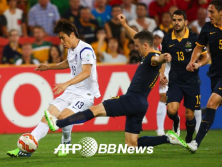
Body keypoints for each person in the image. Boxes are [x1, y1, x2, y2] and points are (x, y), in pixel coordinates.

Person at [44, 14, 188, 149]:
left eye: (137, 46)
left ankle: (58, 123)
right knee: (132, 143)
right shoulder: (149, 53)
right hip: (141, 104)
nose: (136, 48)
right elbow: (139, 40)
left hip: (131, 99)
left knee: (95, 110)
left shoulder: (152, 56)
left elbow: (158, 58)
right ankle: (168, 138)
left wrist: (164, 58)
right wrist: (125, 25)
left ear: (145, 46)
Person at [7, 18, 100, 157]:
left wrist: (66, 83)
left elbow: (86, 72)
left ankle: (65, 142)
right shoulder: (71, 49)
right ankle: (25, 149)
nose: (61, 42)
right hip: (72, 91)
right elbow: (69, 63)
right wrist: (49, 67)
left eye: (63, 38)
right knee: (48, 115)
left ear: (72, 35)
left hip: (85, 94)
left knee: (64, 117)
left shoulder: (86, 49)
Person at [161, 10, 209, 144]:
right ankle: (176, 121)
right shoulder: (167, 38)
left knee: (190, 114)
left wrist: (198, 64)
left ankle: (188, 137)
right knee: (171, 110)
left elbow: (206, 57)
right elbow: (162, 58)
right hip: (175, 80)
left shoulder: (194, 38)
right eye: (174, 20)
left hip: (191, 81)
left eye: (179, 20)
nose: (176, 23)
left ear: (186, 22)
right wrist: (162, 75)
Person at [186, 0, 222, 153]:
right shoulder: (208, 28)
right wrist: (192, 62)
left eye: (212, 11)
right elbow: (198, 48)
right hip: (215, 73)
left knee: (212, 102)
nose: (209, 15)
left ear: (221, 12)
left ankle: (196, 142)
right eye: (208, 11)